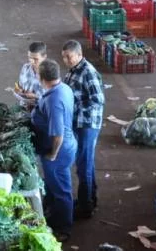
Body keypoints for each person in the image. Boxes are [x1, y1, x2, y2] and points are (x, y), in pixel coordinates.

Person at [31, 59, 76, 242]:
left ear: (41, 78)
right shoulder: (63, 88)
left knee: (61, 190)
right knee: (52, 185)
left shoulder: (54, 100)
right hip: (64, 147)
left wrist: (53, 155)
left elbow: (58, 135)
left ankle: (63, 228)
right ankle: (52, 215)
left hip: (59, 151)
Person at [61, 40, 104, 219]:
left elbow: (98, 99)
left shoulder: (88, 72)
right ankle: (89, 198)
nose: (66, 60)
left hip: (87, 124)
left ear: (79, 55)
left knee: (83, 164)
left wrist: (75, 107)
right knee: (86, 162)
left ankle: (85, 207)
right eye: (64, 57)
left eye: (69, 57)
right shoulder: (73, 71)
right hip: (78, 123)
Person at [16, 41, 47, 107]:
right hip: (24, 105)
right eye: (30, 58)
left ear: (44, 57)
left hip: (41, 109)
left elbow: (52, 98)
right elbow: (20, 84)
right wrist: (19, 90)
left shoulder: (49, 73)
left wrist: (35, 96)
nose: (32, 61)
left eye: (35, 59)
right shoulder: (25, 67)